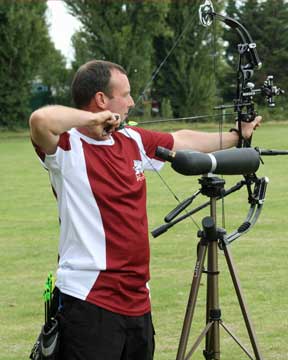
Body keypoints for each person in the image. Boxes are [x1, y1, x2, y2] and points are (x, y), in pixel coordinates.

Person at [29, 60, 261, 360]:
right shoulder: (66, 147)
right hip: (88, 300)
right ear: (102, 100)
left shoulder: (132, 140)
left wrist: (235, 135)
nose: (132, 102)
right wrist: (92, 120)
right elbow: (40, 119)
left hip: (138, 300)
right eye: (125, 94)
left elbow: (182, 140)